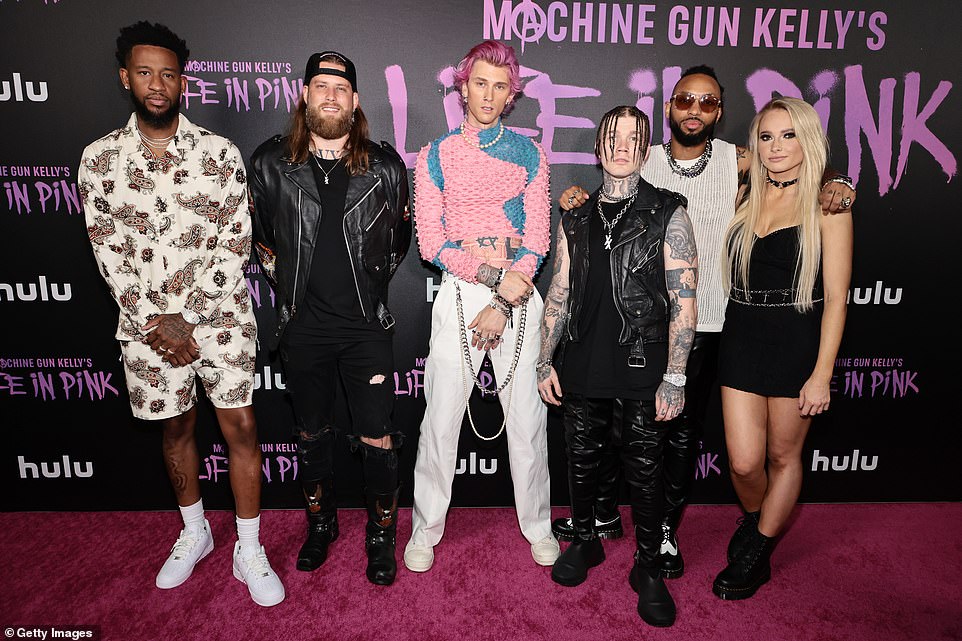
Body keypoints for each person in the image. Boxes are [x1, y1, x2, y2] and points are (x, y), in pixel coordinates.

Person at [556, 66, 856, 578]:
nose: (694, 110)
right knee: (613, 421)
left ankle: (666, 530)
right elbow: (608, 191)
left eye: (708, 103)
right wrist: (575, 197)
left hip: (716, 322)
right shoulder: (642, 156)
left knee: (678, 433)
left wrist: (838, 181)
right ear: (668, 106)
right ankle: (601, 516)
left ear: (719, 112)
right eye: (685, 100)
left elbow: (795, 164)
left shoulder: (734, 161)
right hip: (650, 323)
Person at [78, 21, 284, 606]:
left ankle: (249, 547)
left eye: (168, 73)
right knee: (177, 427)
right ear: (126, 78)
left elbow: (234, 241)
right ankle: (194, 533)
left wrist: (187, 318)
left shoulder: (219, 154)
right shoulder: (98, 162)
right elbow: (107, 250)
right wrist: (158, 322)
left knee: (241, 425)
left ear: (183, 82)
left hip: (219, 319)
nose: (157, 84)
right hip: (146, 328)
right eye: (145, 72)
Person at [248, 51, 411, 586]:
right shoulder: (272, 163)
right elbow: (262, 241)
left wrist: (367, 293)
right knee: (310, 432)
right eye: (321, 85)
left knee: (377, 436)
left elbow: (397, 244)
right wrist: (290, 294)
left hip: (365, 327)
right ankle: (322, 525)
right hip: (303, 329)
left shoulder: (385, 167)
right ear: (305, 95)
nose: (332, 95)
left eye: (341, 88)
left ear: (356, 101)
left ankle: (381, 534)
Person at [537, 106, 697, 627]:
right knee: (580, 459)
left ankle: (648, 567)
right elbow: (558, 291)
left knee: (645, 468)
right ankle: (585, 540)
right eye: (613, 137)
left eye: (634, 138)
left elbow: (684, 299)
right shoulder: (577, 215)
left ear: (645, 147)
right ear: (599, 147)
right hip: (582, 356)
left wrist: (675, 374)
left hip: (642, 360)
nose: (622, 146)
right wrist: (544, 358)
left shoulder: (668, 210)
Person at [403, 40, 558, 573]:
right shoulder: (435, 156)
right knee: (440, 418)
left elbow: (538, 241)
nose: (488, 95)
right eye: (480, 83)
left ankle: (539, 525)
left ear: (511, 94)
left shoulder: (531, 155)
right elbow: (432, 245)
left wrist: (506, 293)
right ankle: (425, 530)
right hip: (464, 293)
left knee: (527, 421)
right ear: (462, 85)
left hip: (518, 293)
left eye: (500, 85)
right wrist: (492, 277)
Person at [712, 97, 852, 599]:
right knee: (745, 462)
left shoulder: (827, 202)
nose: (776, 147)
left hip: (796, 338)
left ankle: (758, 550)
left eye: (788, 135)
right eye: (767, 136)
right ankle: (756, 521)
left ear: (806, 138)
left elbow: (836, 298)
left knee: (782, 455)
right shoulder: (745, 188)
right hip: (742, 332)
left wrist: (822, 374)